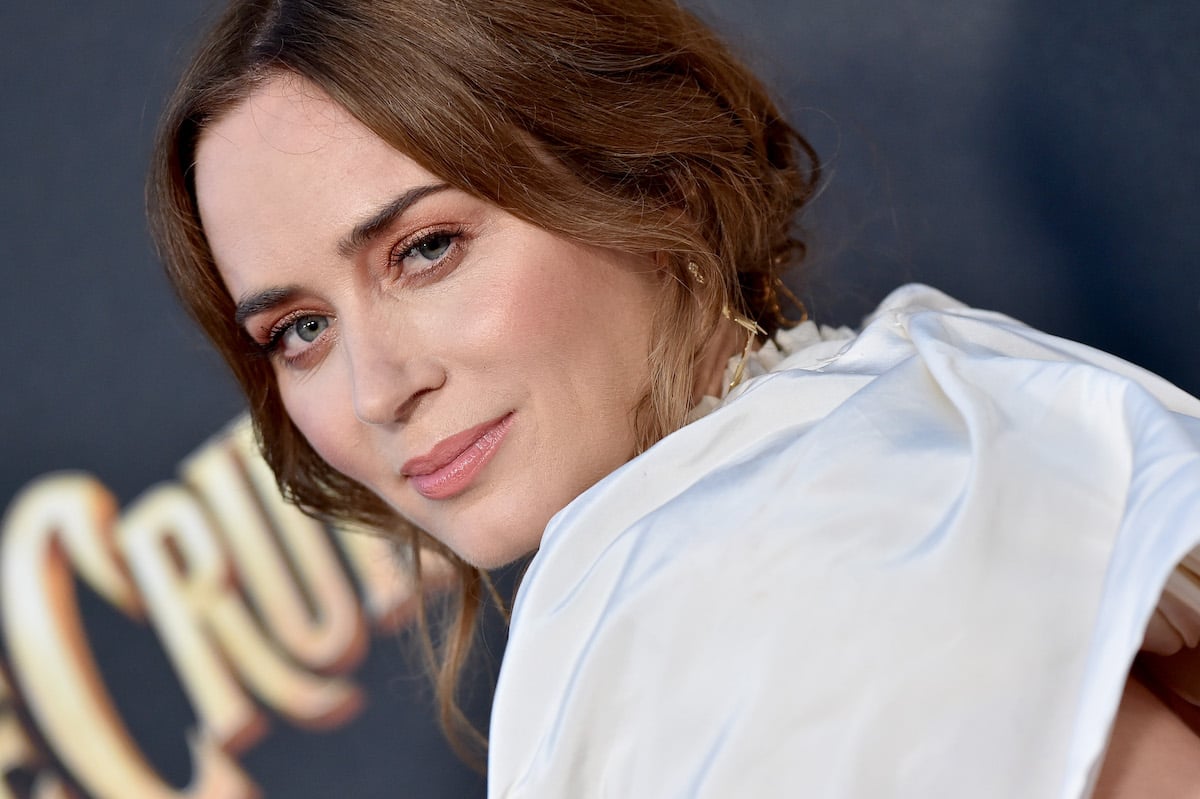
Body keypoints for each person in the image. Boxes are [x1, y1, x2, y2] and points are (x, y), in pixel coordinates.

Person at [148, 0, 1200, 796]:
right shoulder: (883, 452)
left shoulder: (817, 553)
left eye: (426, 249)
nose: (377, 390)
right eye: (299, 331)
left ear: (646, 178)